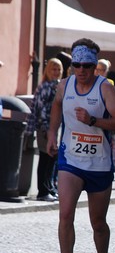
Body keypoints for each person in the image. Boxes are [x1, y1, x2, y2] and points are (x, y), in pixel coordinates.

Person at [46, 38, 115, 253]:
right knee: (65, 214)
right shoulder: (64, 85)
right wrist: (52, 132)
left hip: (99, 165)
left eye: (86, 65)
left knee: (97, 222)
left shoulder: (105, 89)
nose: (81, 70)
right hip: (70, 160)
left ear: (95, 66)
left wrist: (94, 120)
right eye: (77, 65)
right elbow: (58, 105)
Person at [25, 58, 63, 201]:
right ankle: (43, 191)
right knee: (45, 159)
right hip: (45, 128)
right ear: (48, 70)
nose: (56, 72)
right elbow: (40, 109)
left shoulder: (58, 86)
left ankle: (49, 188)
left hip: (54, 128)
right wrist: (46, 128)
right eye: (54, 69)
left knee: (52, 159)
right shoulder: (45, 86)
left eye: (59, 69)